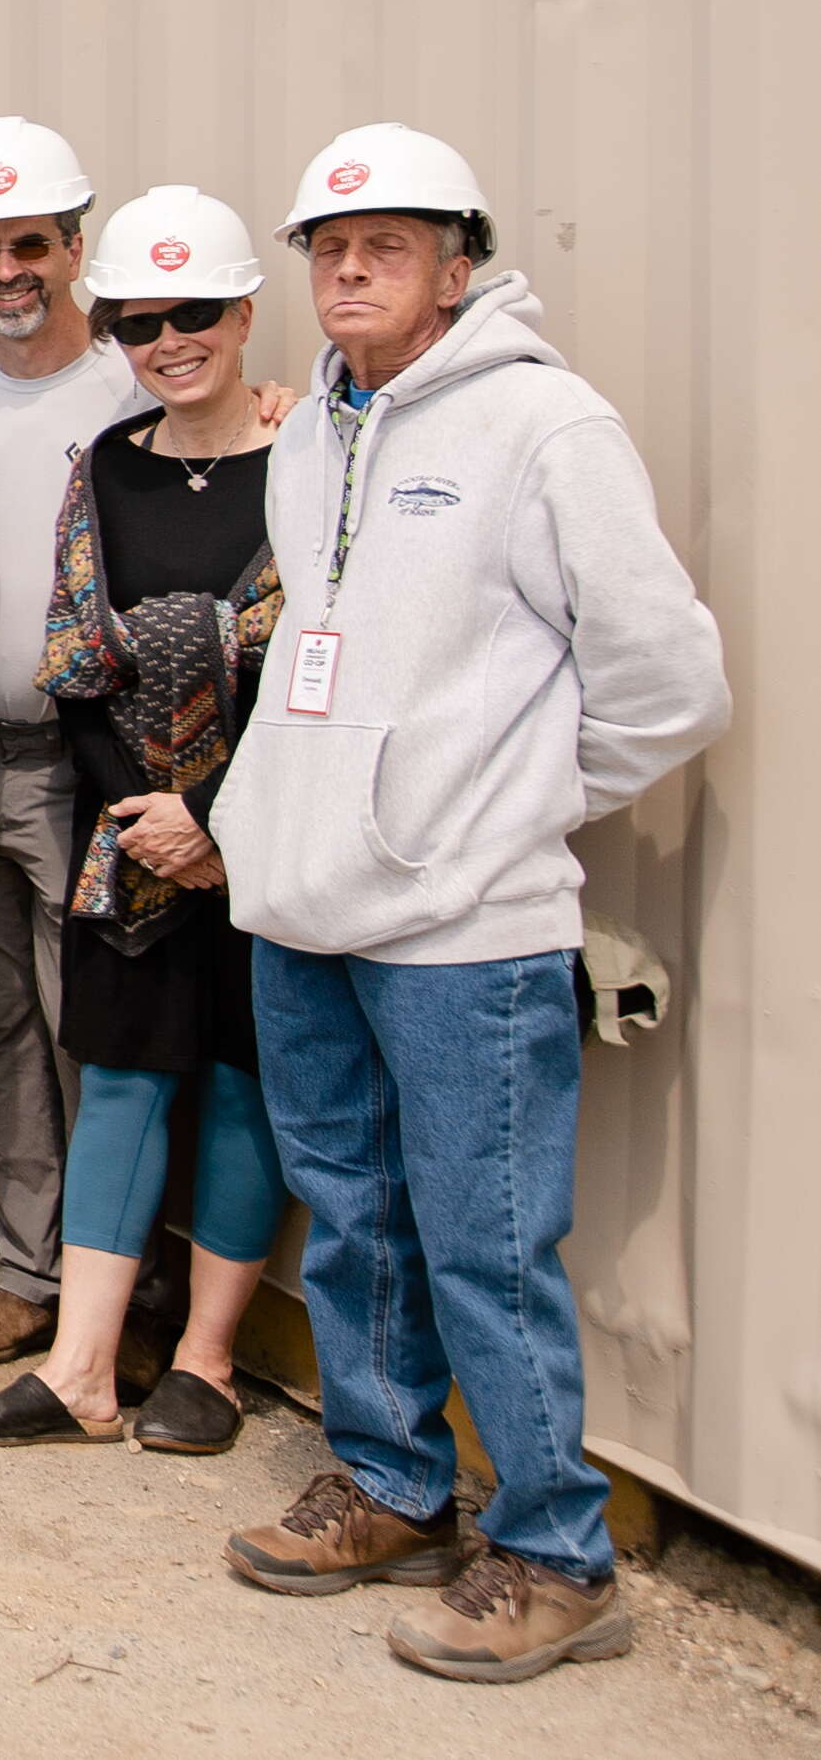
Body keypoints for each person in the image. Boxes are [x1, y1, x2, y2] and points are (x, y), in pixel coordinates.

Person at [214, 125, 725, 1683]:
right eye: (326, 245)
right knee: (355, 1216)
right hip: (308, 900)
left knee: (485, 1239)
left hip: (468, 927)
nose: (348, 268)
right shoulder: (315, 431)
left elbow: (666, 679)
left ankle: (558, 1552)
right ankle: (389, 1482)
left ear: (457, 262)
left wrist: (506, 804)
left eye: (385, 243)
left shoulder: (543, 424)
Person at [0, 187, 286, 1451]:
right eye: (141, 323)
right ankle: (81, 1366)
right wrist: (148, 814)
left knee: (243, 1084)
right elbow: (76, 659)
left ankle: (205, 1357)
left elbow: (316, 670)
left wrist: (220, 818)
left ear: (247, 312)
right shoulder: (109, 468)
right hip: (128, 831)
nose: (168, 340)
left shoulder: (315, 461)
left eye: (195, 313)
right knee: (127, 1073)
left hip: (267, 841)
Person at [0, 115, 147, 1372]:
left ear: (75, 245)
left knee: (96, 1028)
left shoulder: (128, 386)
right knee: (5, 1022)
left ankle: (121, 1293)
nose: (6, 270)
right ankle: (29, 1273)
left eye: (28, 244)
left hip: (83, 769)